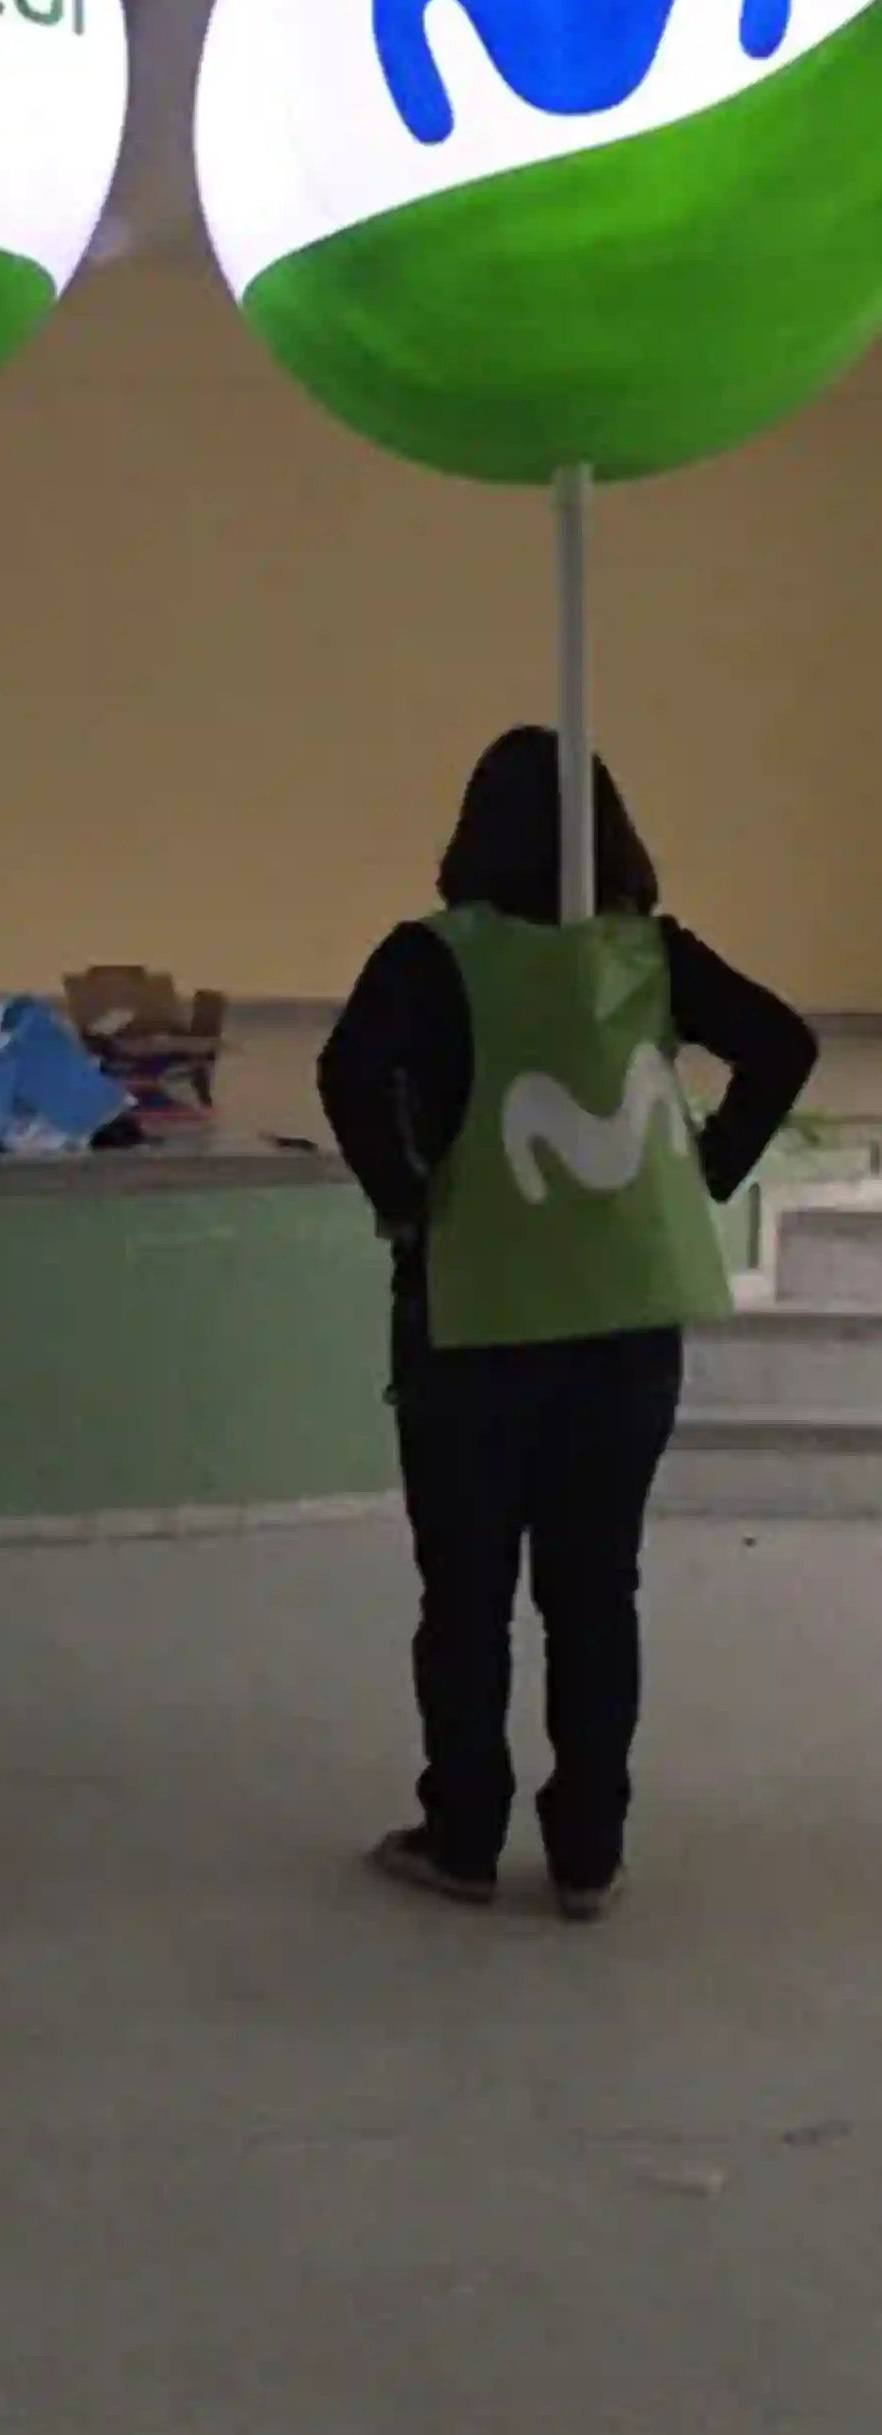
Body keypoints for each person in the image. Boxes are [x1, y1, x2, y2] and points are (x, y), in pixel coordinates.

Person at [318, 728, 814, 1922]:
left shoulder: (428, 957)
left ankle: (464, 1834)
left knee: (468, 1591)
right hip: (623, 1324)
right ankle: (588, 1851)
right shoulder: (648, 955)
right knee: (596, 1591)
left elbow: (343, 1076)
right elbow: (784, 1045)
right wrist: (701, 1169)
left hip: (472, 1321)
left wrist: (405, 1199)